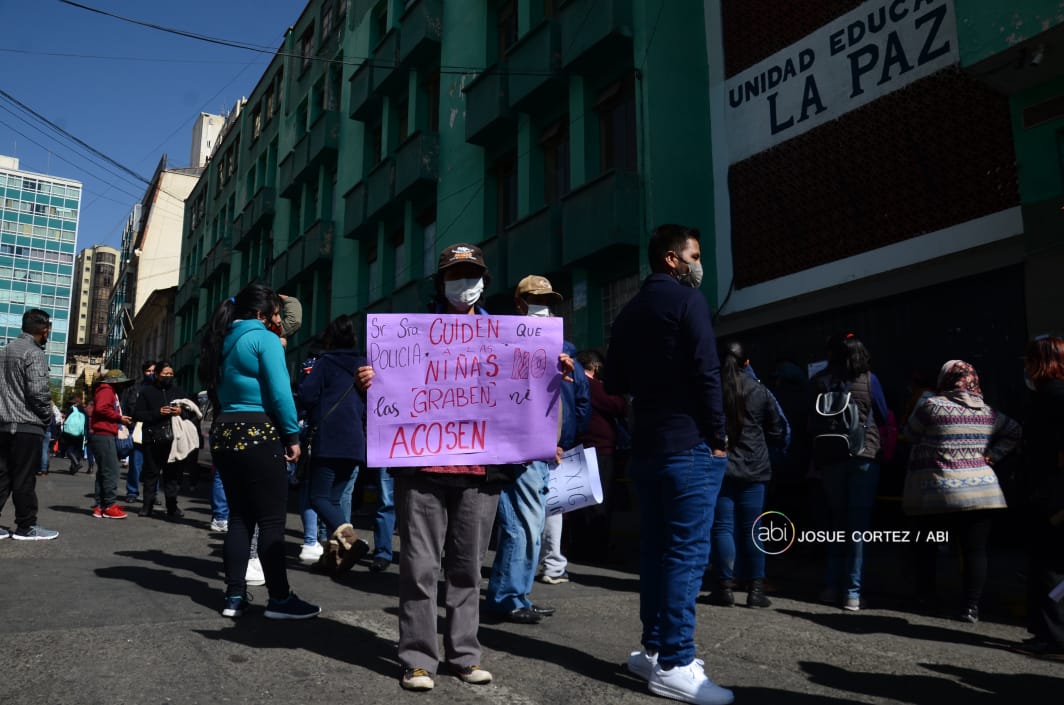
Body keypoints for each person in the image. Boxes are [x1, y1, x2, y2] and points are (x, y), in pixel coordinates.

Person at [357, 243, 502, 691]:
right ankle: (418, 659)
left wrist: (552, 374)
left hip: (480, 472)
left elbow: (523, 394)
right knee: (419, 568)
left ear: (484, 282)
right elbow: (392, 392)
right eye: (455, 275)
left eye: (471, 274)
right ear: (440, 284)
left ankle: (464, 655)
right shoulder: (408, 336)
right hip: (421, 469)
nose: (464, 283)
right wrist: (371, 384)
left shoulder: (506, 337)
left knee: (468, 570)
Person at [606, 224, 734, 705]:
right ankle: (677, 663)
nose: (698, 265)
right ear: (672, 259)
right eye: (694, 256)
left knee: (657, 552)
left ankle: (654, 650)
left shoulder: (628, 312)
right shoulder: (687, 301)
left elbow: (614, 382)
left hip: (647, 447)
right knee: (686, 554)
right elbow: (707, 370)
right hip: (689, 443)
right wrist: (719, 436)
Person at [199, 284, 319, 620]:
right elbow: (280, 393)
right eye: (276, 315)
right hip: (259, 431)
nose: (278, 322)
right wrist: (292, 435)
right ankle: (279, 599)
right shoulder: (263, 339)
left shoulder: (220, 340)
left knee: (239, 518)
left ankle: (234, 596)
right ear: (260, 314)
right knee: (271, 521)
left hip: (224, 432)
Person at [485, 274, 586, 624]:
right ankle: (507, 597)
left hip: (546, 451)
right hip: (521, 451)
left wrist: (560, 442)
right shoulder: (505, 343)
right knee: (523, 525)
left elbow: (573, 401)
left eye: (548, 301)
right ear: (519, 304)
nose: (543, 307)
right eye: (536, 300)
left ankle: (516, 594)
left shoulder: (562, 350)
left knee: (531, 524)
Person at [902, 359, 1020, 622]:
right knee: (974, 551)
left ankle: (927, 598)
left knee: (927, 547)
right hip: (982, 492)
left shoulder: (932, 406)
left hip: (937, 492)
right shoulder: (987, 412)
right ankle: (970, 607)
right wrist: (994, 455)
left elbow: (910, 434)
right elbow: (1014, 431)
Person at [707, 340, 787, 609]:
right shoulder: (759, 390)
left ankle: (724, 587)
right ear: (747, 362)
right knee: (754, 528)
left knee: (722, 527)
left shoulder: (713, 391)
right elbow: (777, 429)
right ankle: (756, 590)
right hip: (755, 466)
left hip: (722, 465)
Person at [812, 333, 889, 611]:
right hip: (863, 456)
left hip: (831, 456)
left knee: (837, 522)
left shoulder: (821, 381)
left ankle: (830, 587)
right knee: (858, 527)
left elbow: (810, 420)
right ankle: (853, 593)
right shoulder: (869, 380)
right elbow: (883, 414)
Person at [298, 313, 370, 576]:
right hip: (355, 442)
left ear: (329, 338)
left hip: (329, 440)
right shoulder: (364, 365)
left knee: (317, 497)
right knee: (335, 500)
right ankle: (332, 558)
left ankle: (350, 541)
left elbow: (307, 395)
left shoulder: (325, 363)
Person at [1014, 336, 1064, 660]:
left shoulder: (1053, 397)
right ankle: (1046, 632)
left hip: (1052, 497)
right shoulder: (1048, 395)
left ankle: (1055, 638)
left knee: (1050, 566)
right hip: (1048, 494)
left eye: (1029, 360)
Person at [0, 308, 60, 540]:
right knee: (24, 478)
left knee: (3, 475)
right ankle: (26, 526)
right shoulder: (34, 353)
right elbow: (38, 392)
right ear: (44, 329)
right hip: (26, 425)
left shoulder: (5, 351)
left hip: (3, 424)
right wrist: (47, 417)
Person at [574, 348, 628, 561]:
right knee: (599, 502)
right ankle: (595, 550)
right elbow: (618, 405)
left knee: (581, 501)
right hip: (598, 450)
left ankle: (581, 547)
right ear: (595, 367)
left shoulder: (574, 384)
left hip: (580, 447)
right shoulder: (594, 386)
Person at [133, 361, 198, 519]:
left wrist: (181, 411)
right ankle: (147, 506)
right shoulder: (146, 392)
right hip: (152, 439)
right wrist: (158, 412)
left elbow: (192, 413)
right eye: (165, 374)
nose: (168, 377)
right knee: (151, 474)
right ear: (157, 375)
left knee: (172, 475)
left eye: (171, 374)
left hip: (174, 440)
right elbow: (137, 414)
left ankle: (172, 506)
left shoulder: (178, 391)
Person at [89, 369, 134, 520]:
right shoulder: (107, 390)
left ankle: (100, 506)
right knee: (111, 471)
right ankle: (109, 505)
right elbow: (101, 408)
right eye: (122, 383)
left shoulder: (106, 390)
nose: (123, 386)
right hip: (104, 434)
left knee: (104, 471)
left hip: (103, 434)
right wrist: (118, 418)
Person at [122, 361, 155, 503]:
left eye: (153, 371)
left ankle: (152, 494)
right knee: (135, 463)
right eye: (148, 371)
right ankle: (132, 492)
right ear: (143, 372)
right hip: (138, 430)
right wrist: (130, 424)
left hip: (155, 431)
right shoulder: (135, 389)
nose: (151, 374)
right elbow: (127, 407)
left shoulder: (160, 389)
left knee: (153, 466)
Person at [60, 393, 87, 474]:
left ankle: (77, 464)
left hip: (70, 433)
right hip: (80, 434)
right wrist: (86, 435)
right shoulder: (84, 411)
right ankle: (73, 469)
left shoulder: (72, 409)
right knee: (76, 451)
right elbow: (86, 423)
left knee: (69, 451)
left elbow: (67, 420)